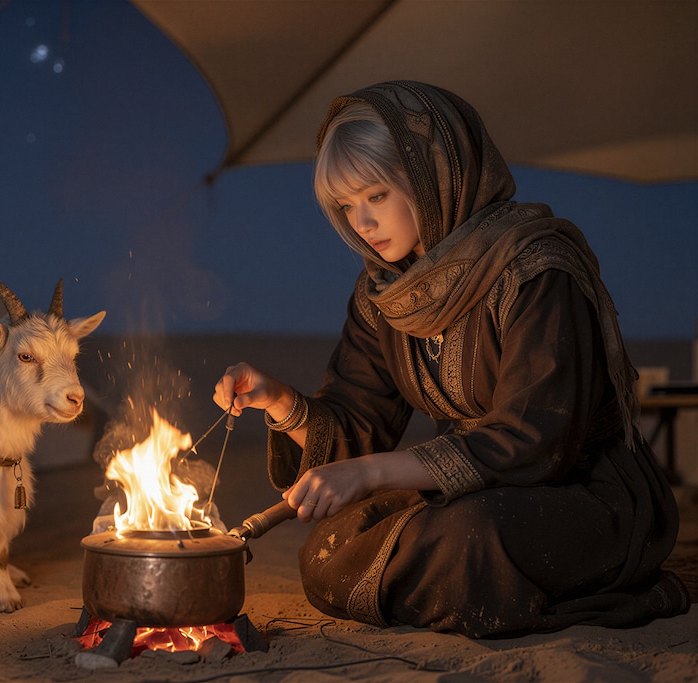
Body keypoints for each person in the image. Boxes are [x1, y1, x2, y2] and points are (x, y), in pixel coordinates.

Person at [212, 81, 689, 637]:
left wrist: (370, 472)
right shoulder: (384, 295)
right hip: (473, 490)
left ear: (434, 176)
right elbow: (357, 428)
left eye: (376, 196)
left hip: (579, 491)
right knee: (329, 548)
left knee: (470, 537)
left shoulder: (537, 269)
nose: (361, 223)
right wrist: (278, 401)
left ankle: (598, 586)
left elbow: (536, 440)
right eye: (346, 206)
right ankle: (469, 590)